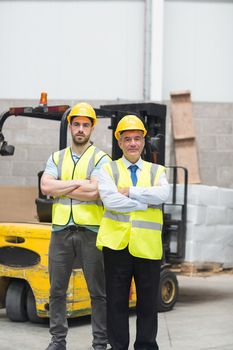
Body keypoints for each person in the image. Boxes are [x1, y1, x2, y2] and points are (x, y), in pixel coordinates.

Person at [41, 102, 111, 350]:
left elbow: (95, 192)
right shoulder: (56, 157)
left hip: (91, 232)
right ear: (70, 126)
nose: (80, 129)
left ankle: (100, 344)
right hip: (60, 232)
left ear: (92, 128)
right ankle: (57, 341)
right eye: (76, 124)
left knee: (98, 293)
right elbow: (46, 187)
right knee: (56, 291)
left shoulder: (101, 158)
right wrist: (79, 183)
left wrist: (63, 185)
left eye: (85, 125)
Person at [96, 115, 170, 350]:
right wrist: (143, 201)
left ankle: (146, 346)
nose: (133, 143)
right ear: (119, 142)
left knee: (148, 304)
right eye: (127, 139)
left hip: (147, 246)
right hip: (116, 245)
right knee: (116, 302)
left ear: (143, 141)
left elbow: (163, 196)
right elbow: (110, 201)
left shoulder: (157, 171)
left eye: (137, 138)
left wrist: (130, 191)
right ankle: (118, 347)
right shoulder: (108, 169)